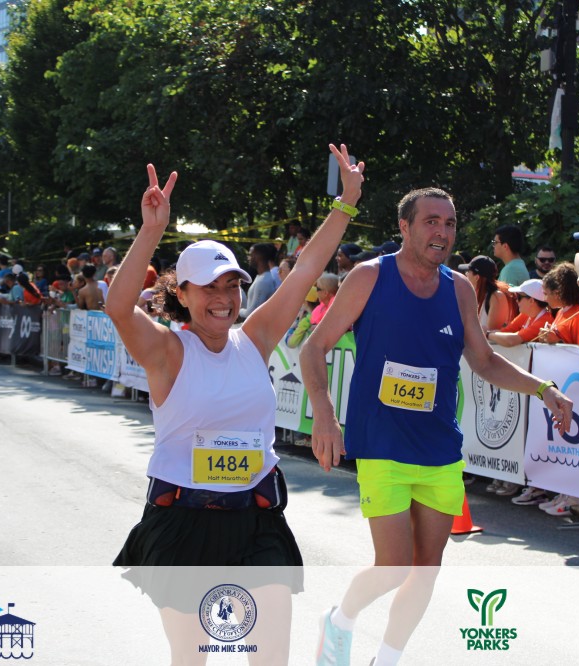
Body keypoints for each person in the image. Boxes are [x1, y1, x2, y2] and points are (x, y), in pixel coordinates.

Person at [106, 145, 365, 666]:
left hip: (256, 521)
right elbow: (118, 306)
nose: (223, 298)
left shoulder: (256, 338)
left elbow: (306, 269)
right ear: (182, 294)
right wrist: (151, 231)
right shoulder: (166, 351)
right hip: (183, 522)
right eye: (208, 288)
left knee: (270, 657)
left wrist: (347, 202)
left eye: (232, 285)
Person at [299, 186, 573, 666]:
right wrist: (324, 413)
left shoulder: (459, 288)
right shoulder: (369, 277)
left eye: (449, 223)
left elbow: (485, 361)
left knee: (425, 572)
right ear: (404, 227)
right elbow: (313, 347)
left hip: (439, 450)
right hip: (381, 444)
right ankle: (340, 619)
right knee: (393, 567)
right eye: (431, 222)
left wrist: (543, 389)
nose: (442, 232)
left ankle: (387, 659)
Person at [486, 279, 553, 347]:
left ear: (531, 301)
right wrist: (490, 334)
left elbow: (511, 341)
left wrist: (487, 334)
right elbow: (504, 332)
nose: (516, 301)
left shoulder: (545, 321)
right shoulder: (526, 314)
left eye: (519, 297)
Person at [537, 263, 579, 347]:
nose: (545, 299)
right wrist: (546, 336)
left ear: (557, 293)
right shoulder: (560, 312)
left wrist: (558, 341)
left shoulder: (578, 315)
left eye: (546, 294)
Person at [459, 255, 511, 332]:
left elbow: (492, 333)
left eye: (468, 271)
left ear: (477, 277)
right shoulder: (473, 295)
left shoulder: (497, 297)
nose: (466, 274)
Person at [240, 242, 280, 319]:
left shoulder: (264, 281)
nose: (248, 258)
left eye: (250, 255)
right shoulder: (261, 277)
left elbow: (252, 313)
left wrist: (238, 311)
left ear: (257, 257)